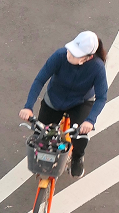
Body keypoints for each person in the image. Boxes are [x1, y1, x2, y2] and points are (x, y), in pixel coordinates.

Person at [19, 31, 108, 178]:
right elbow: (40, 80)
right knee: (40, 134)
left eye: (75, 55)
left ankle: (78, 157)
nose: (69, 55)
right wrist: (28, 107)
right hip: (54, 99)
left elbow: (101, 97)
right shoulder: (60, 56)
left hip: (80, 102)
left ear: (87, 58)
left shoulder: (97, 68)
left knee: (79, 137)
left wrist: (90, 121)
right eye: (71, 50)